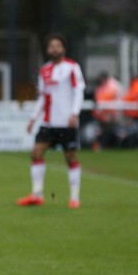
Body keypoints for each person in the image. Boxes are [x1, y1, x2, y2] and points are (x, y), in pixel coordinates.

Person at [17, 33, 86, 209]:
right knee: (36, 152)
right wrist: (33, 118)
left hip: (66, 121)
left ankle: (74, 198)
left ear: (63, 49)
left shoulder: (72, 67)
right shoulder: (45, 70)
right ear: (48, 50)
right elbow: (42, 97)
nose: (54, 49)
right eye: (51, 46)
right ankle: (37, 194)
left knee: (70, 157)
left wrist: (75, 113)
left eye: (57, 46)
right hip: (48, 122)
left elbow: (79, 90)